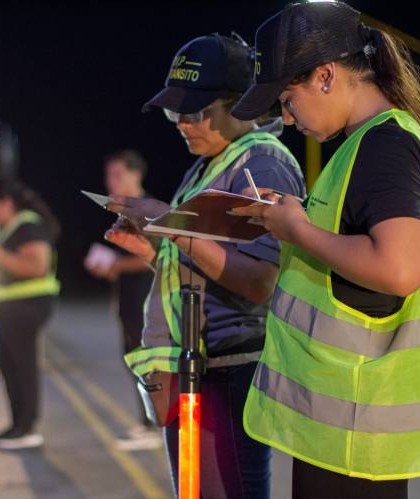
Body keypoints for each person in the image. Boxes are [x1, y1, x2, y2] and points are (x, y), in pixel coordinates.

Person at [230, 2, 420, 498]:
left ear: (326, 75)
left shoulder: (385, 145)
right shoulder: (365, 144)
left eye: (288, 100)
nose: (288, 120)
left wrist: (299, 231)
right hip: (344, 427)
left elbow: (399, 269)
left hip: (356, 429)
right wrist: (291, 217)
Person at [105, 33, 305, 499]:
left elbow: (259, 281)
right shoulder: (208, 163)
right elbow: (207, 260)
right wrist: (154, 249)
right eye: (175, 113)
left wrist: (173, 228)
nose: (180, 124)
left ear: (238, 105)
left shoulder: (262, 167)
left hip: (233, 369)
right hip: (201, 364)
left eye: (193, 112)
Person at [85, 149, 160, 450]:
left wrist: (116, 265)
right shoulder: (124, 211)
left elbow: (153, 256)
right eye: (108, 175)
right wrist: (109, 268)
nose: (111, 181)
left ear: (136, 174)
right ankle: (147, 421)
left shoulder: (147, 209)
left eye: (118, 174)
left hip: (147, 298)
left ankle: (155, 423)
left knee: (147, 360)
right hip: (127, 298)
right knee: (133, 358)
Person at [0, 178, 61, 450]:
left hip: (25, 307)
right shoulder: (12, 227)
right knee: (9, 365)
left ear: (6, 202)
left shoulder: (27, 225)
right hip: (11, 309)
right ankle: (17, 425)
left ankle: (26, 427)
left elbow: (37, 266)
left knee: (22, 366)